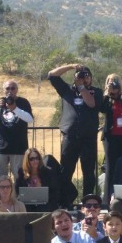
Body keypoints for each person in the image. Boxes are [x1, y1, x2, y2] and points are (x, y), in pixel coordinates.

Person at [48, 64, 103, 208]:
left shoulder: (96, 92)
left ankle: (88, 202)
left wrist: (82, 88)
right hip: (70, 137)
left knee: (88, 171)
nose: (83, 79)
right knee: (66, 170)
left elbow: (91, 104)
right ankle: (65, 201)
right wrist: (72, 66)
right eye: (80, 76)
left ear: (91, 79)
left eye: (86, 76)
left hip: (88, 138)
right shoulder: (67, 90)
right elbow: (52, 75)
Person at [0, 80, 33, 182]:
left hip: (19, 147)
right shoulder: (0, 102)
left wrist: (15, 108)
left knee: (19, 178)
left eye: (13, 88)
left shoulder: (23, 102)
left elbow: (30, 119)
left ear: (17, 90)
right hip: (1, 147)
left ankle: (18, 198)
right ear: (3, 90)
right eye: (7, 88)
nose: (10, 91)